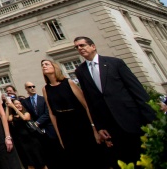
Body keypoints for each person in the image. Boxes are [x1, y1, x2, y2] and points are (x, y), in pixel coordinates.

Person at [72, 36, 155, 166]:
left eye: (82, 45)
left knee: (145, 159)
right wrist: (99, 127)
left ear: (93, 46)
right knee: (125, 162)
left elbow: (136, 90)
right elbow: (90, 101)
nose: (79, 48)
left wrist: (151, 119)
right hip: (111, 125)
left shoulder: (115, 63)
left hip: (132, 119)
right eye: (77, 47)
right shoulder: (80, 71)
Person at [41, 59, 103, 167]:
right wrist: (59, 136)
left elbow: (86, 105)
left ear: (54, 67)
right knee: (75, 158)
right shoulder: (45, 89)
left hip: (79, 120)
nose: (44, 66)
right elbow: (51, 113)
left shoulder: (68, 82)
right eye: (42, 65)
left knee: (92, 155)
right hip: (63, 124)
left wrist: (94, 127)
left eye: (46, 64)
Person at [4, 97, 46, 169]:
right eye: (16, 104)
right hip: (23, 142)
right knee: (29, 163)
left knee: (41, 162)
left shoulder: (26, 113)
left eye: (20, 104)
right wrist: (7, 107)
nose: (19, 105)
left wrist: (14, 107)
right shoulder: (13, 116)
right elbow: (7, 119)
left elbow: (24, 118)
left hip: (32, 140)